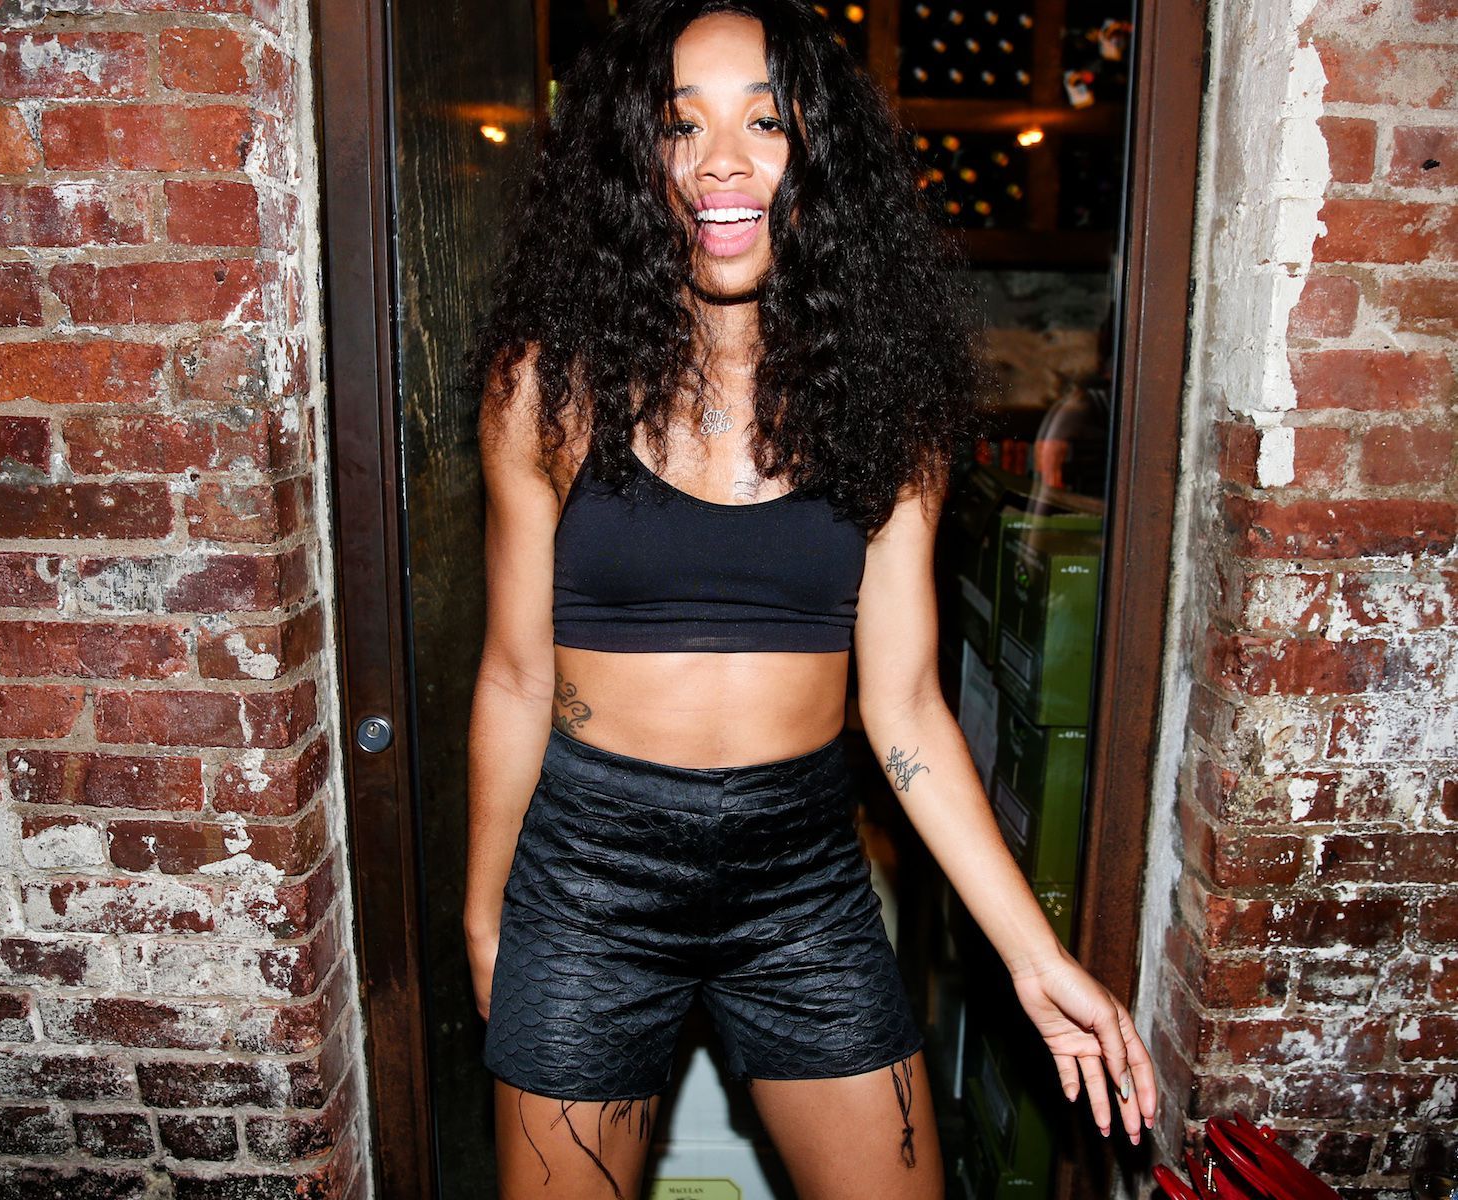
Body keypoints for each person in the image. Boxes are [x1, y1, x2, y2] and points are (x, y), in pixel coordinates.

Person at [462, 0, 1159, 1195]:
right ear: (638, 163)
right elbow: (518, 676)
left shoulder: (889, 402)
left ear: (820, 157)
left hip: (800, 878)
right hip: (589, 877)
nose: (720, 160)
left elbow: (906, 709)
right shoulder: (550, 386)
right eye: (681, 125)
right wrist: (486, 918)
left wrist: (1035, 958)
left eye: (766, 121)